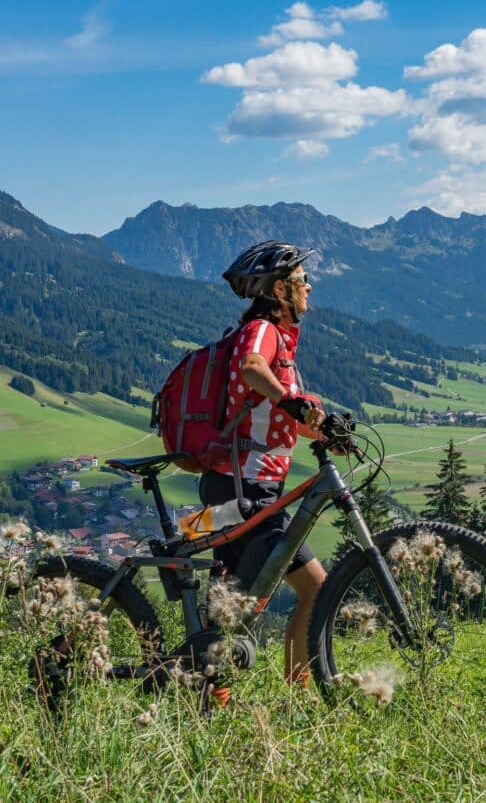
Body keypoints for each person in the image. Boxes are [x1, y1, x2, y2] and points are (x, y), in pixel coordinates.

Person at [198, 240, 327, 686]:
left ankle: (210, 695)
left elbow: (279, 414)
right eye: (301, 280)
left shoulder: (283, 344)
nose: (309, 286)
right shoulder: (262, 330)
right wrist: (291, 399)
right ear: (279, 288)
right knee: (310, 589)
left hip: (250, 489)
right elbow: (253, 368)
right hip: (243, 490)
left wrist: (325, 431)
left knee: (233, 602)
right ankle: (299, 696)